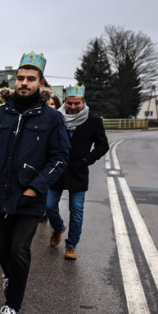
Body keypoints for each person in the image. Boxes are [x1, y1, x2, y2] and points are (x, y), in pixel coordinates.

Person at [0, 52, 68, 314]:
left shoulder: (52, 118)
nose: (24, 83)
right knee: (0, 247)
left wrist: (35, 187)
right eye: (20, 78)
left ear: (41, 83)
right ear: (13, 80)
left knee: (19, 250)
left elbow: (60, 157)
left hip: (28, 198)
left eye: (31, 79)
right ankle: (11, 277)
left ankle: (12, 308)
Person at [46, 85, 110, 260]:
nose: (72, 107)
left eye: (76, 104)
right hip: (56, 169)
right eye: (69, 103)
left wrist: (87, 160)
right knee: (49, 205)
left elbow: (102, 146)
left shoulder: (93, 121)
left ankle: (72, 244)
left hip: (78, 171)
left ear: (83, 102)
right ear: (65, 102)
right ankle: (58, 228)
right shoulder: (56, 118)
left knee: (77, 209)